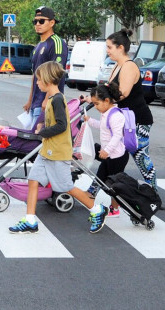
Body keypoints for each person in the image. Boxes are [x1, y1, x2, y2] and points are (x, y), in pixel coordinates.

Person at [9, 61, 109, 234]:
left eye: (39, 80)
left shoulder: (56, 100)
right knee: (33, 180)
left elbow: (62, 125)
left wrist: (43, 132)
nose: (37, 83)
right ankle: (31, 220)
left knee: (65, 187)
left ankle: (97, 210)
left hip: (57, 152)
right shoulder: (51, 99)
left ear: (47, 80)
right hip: (47, 150)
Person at [86, 28, 156, 189]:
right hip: (122, 120)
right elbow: (108, 90)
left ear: (120, 48)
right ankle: (92, 192)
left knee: (142, 161)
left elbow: (122, 93)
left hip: (137, 121)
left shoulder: (129, 67)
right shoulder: (117, 66)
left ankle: (153, 194)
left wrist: (100, 100)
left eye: (110, 47)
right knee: (111, 157)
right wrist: (93, 98)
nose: (107, 51)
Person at [83, 83, 130, 217]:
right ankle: (89, 196)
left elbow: (117, 136)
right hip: (109, 155)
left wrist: (107, 150)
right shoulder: (106, 113)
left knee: (114, 185)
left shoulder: (116, 115)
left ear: (107, 101)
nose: (96, 107)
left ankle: (115, 208)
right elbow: (103, 127)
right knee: (100, 177)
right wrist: (89, 120)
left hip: (117, 157)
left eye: (97, 104)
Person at [23, 6, 68, 127]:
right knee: (34, 141)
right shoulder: (38, 46)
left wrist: (47, 99)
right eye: (35, 21)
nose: (37, 24)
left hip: (47, 103)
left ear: (52, 22)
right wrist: (30, 101)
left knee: (39, 142)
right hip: (35, 104)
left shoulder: (57, 42)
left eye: (42, 21)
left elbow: (56, 74)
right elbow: (35, 76)